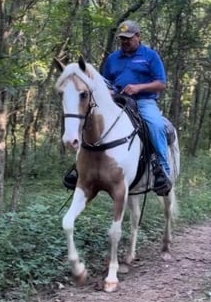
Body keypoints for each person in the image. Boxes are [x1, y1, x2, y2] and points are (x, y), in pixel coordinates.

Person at [63, 19, 172, 195]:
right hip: (117, 100)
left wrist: (138, 88)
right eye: (122, 38)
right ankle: (80, 168)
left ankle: (162, 171)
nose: (125, 42)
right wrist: (109, 92)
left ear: (138, 36)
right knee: (92, 121)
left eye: (128, 38)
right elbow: (105, 83)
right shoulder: (113, 59)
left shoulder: (150, 56)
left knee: (156, 125)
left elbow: (161, 83)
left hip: (144, 101)